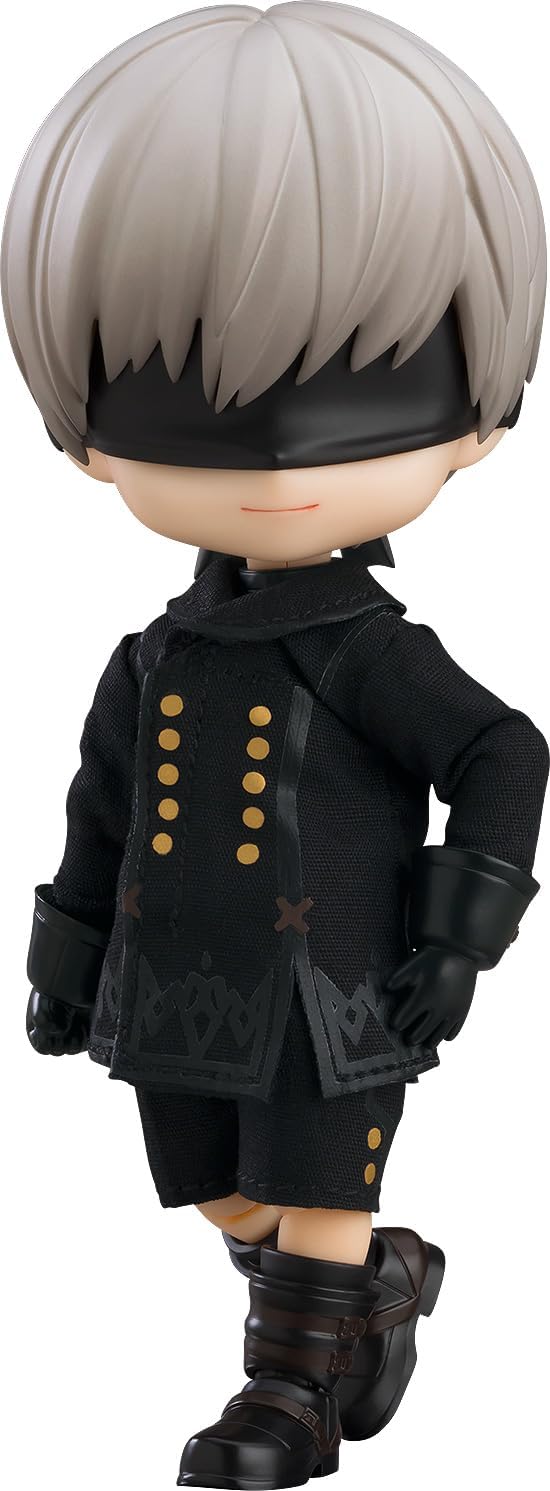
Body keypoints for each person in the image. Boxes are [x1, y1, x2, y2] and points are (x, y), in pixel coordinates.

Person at [2, 6, 547, 1486]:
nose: (280, 461)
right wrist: (67, 955)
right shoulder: (153, 656)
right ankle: (373, 1289)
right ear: (85, 431)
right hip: (176, 975)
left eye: (365, 390)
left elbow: (502, 753)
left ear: (477, 417)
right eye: (190, 402)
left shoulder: (369, 649)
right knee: (207, 1188)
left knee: (316, 1184)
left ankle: (289, 1400)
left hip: (329, 987)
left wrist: (457, 938)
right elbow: (99, 810)